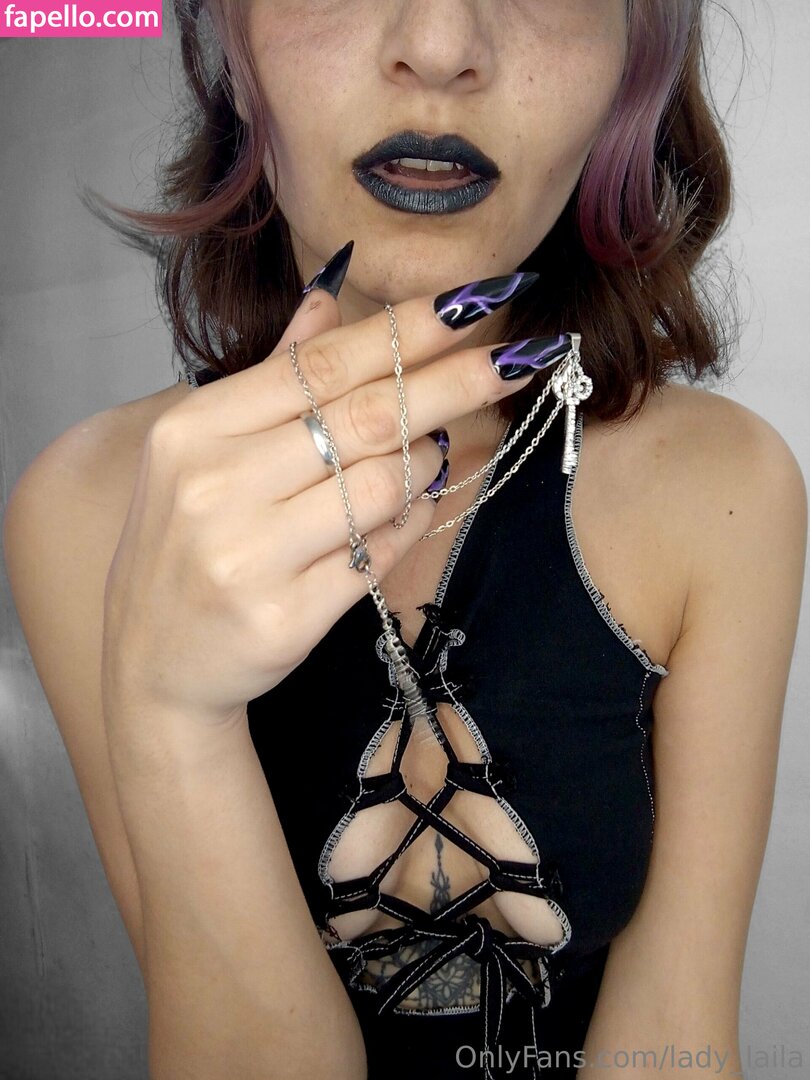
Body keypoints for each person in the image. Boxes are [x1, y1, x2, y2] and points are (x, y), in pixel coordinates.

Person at [2, 1, 806, 1078]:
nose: (437, 45)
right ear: (230, 46)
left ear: (630, 69)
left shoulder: (725, 486)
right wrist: (172, 717)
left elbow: (676, 1040)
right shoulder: (95, 508)